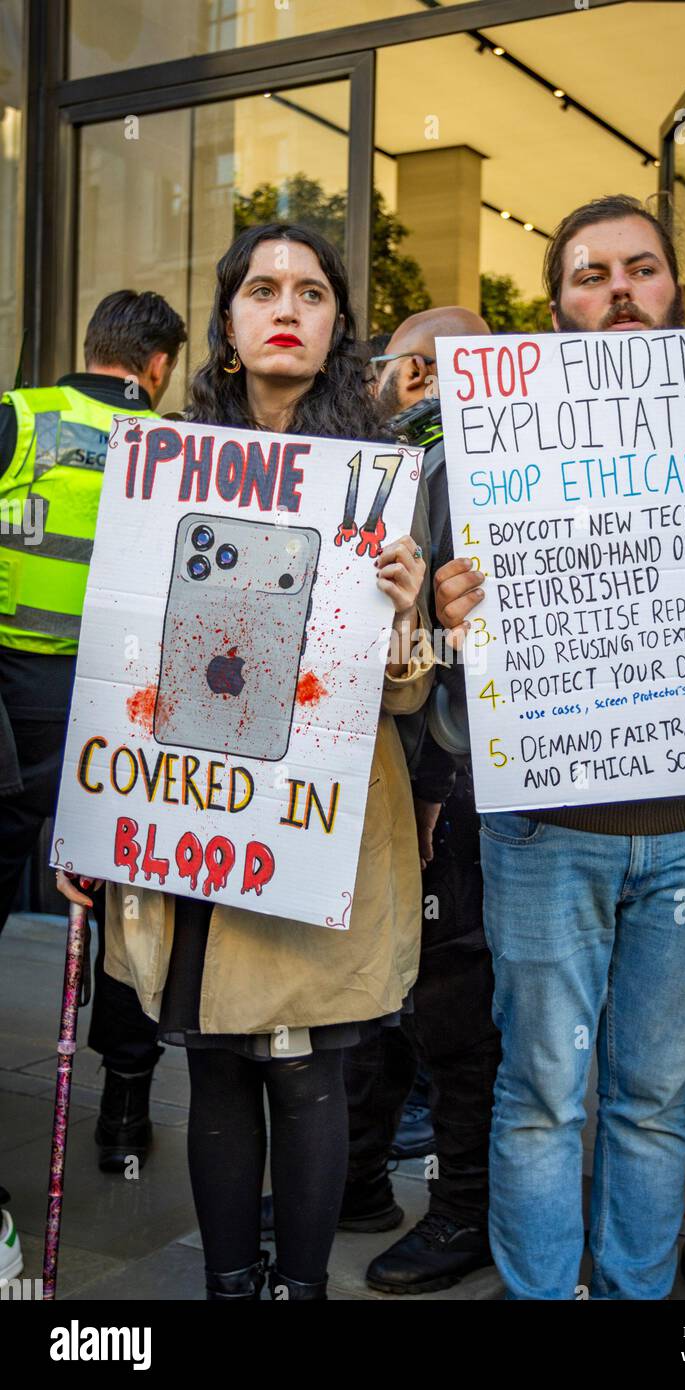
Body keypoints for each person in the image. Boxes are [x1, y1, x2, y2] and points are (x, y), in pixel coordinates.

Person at [57, 222, 435, 1302]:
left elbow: (407, 695)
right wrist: (84, 816)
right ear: (224, 325)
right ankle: (230, 1286)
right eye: (261, 288)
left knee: (306, 1070)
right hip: (190, 812)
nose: (286, 305)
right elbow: (116, 642)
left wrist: (404, 620)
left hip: (313, 829)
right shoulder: (159, 466)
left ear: (333, 326)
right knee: (212, 1059)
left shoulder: (379, 482)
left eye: (310, 291)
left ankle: (301, 1288)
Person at [434, 194, 685, 1300]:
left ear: (673, 289)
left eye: (640, 268)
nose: (618, 289)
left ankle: (635, 1294)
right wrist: (447, 622)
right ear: (556, 304)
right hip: (542, 835)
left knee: (648, 1096)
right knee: (541, 1096)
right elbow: (425, 680)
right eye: (591, 274)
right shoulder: (479, 452)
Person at [0, 290, 186, 1175]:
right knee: (131, 913)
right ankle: (122, 1113)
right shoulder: (183, 450)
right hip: (121, 712)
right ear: (157, 367)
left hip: (10, 706)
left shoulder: (18, 418)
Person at [336, 307, 502, 1296]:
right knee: (378, 989)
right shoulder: (399, 463)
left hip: (449, 787)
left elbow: (451, 657)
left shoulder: (464, 471)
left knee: (446, 1004)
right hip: (392, 782)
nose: (381, 379)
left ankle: (460, 1210)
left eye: (395, 364)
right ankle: (356, 1181)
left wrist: (439, 785)